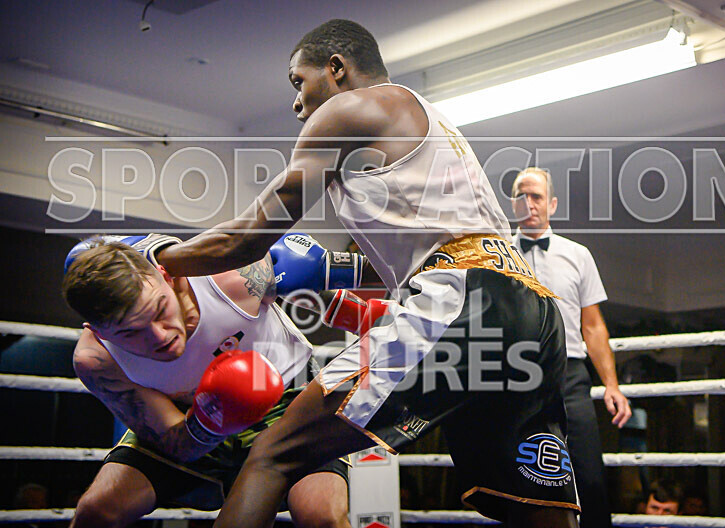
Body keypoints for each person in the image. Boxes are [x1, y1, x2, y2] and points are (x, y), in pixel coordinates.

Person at [150, 19, 580, 528]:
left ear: (336, 68)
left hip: (461, 300)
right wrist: (330, 274)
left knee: (272, 454)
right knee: (537, 507)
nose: (296, 103)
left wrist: (155, 259)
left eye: (299, 81)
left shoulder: (347, 109)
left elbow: (246, 238)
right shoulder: (427, 118)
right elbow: (427, 248)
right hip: (530, 309)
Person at [61, 238, 352, 528]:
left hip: (289, 396)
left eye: (159, 310)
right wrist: (210, 419)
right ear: (99, 333)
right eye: (130, 332)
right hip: (189, 416)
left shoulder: (228, 278)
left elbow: (298, 273)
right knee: (96, 513)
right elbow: (175, 441)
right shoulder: (97, 360)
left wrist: (359, 313)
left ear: (165, 278)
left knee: (321, 517)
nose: (159, 335)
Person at [509, 167, 632, 528]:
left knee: (588, 476)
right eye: (521, 196)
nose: (529, 203)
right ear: (513, 204)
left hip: (570, 374)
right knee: (520, 479)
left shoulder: (577, 254)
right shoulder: (497, 255)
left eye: (536, 196)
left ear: (552, 204)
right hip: (515, 376)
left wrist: (611, 385)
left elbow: (592, 326)